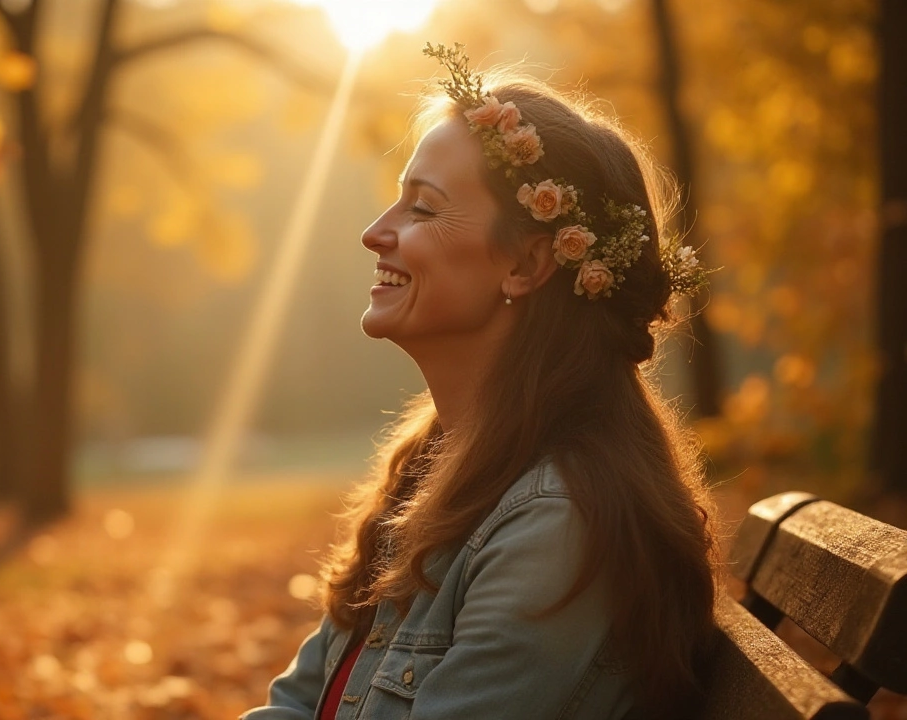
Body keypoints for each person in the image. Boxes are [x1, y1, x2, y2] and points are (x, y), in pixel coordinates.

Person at [241, 44, 718, 720]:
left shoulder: (556, 526)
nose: (375, 233)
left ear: (525, 263)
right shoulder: (439, 467)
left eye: (424, 209)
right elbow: (296, 704)